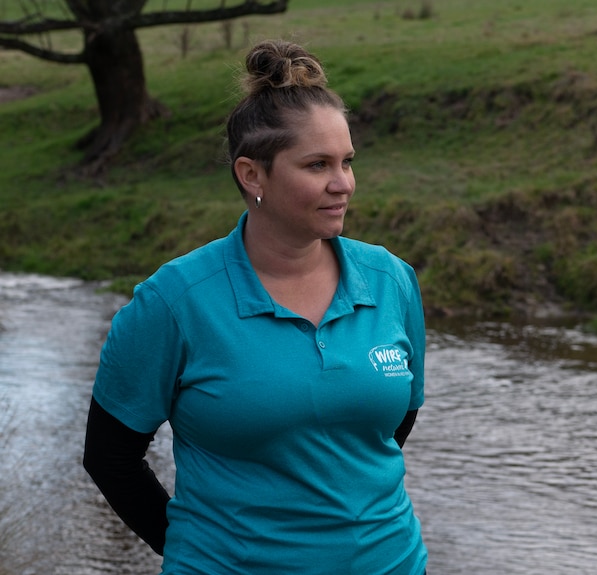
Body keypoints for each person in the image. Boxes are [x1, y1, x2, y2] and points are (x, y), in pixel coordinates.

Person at [83, 39, 428, 575]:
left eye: (347, 162)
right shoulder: (173, 302)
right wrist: (194, 548)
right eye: (317, 165)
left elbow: (395, 422)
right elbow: (111, 457)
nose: (344, 185)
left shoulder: (391, 281)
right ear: (252, 175)